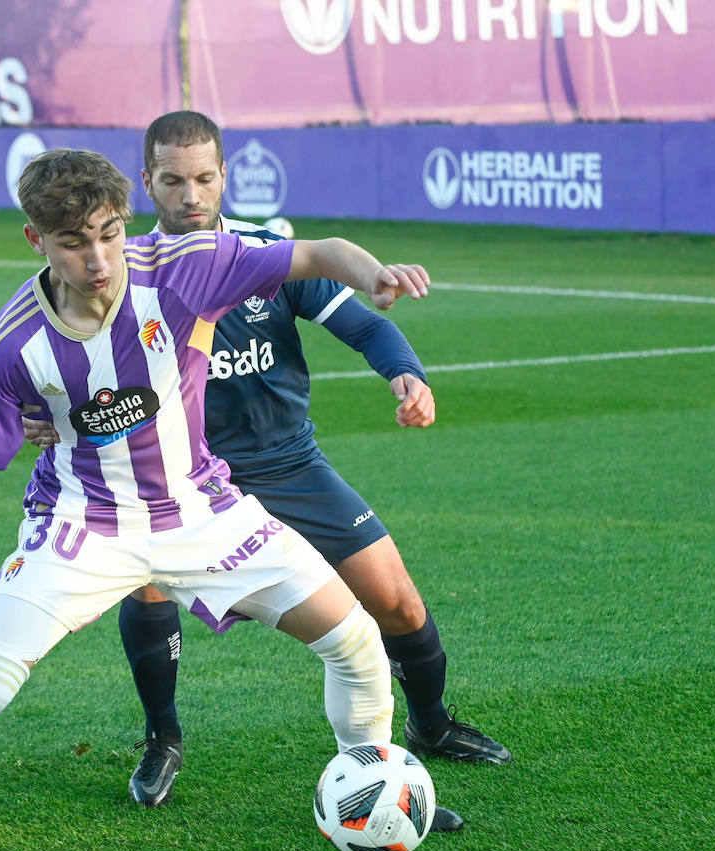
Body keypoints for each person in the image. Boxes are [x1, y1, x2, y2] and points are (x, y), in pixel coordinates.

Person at [0, 148, 435, 851]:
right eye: (74, 242)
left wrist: (372, 274)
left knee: (353, 640)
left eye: (108, 233)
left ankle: (376, 787)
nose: (98, 259)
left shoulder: (184, 266)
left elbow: (318, 252)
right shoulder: (13, 342)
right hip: (80, 525)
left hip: (201, 509)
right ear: (36, 240)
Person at [27, 112, 510, 815]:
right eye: (172, 180)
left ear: (223, 176)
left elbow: (364, 321)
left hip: (290, 465)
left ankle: (429, 723)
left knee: (397, 599)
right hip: (181, 484)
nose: (190, 194)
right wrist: (47, 418)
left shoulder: (267, 257)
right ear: (147, 184)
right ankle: (163, 738)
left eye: (202, 178)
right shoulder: (120, 274)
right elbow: (60, 364)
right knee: (149, 589)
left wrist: (404, 373)